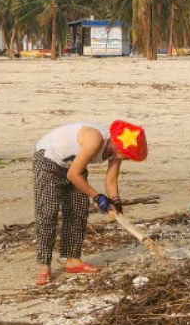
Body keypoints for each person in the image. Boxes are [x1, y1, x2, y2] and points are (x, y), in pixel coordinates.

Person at [31, 119, 148, 286]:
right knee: (48, 212)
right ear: (116, 144)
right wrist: (97, 197)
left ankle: (73, 261)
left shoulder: (116, 150)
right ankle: (44, 265)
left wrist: (115, 201)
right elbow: (73, 175)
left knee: (78, 209)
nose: (127, 159)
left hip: (73, 163)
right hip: (49, 157)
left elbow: (111, 179)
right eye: (126, 155)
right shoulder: (95, 139)